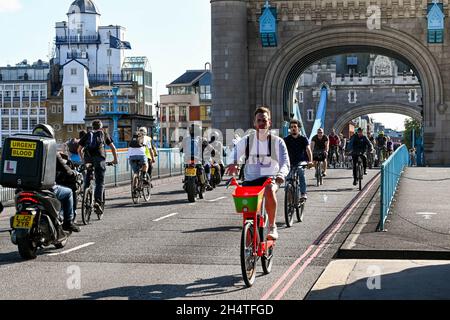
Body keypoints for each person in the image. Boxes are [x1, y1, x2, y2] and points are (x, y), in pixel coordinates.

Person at [227, 106, 290, 241]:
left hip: (270, 178)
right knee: (248, 216)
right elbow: (234, 154)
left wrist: (281, 175)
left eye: (264, 120)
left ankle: (272, 226)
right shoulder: (247, 140)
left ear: (270, 122)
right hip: (250, 180)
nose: (262, 123)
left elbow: (285, 162)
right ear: (254, 123)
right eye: (259, 120)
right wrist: (233, 163)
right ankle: (249, 242)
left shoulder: (277, 142)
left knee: (268, 189)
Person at [32, 124, 80, 233]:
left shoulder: (28, 148)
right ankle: (68, 222)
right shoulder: (52, 151)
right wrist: (73, 173)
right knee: (68, 193)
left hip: (24, 188)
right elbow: (66, 170)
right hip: (45, 189)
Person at [78, 120, 118, 215]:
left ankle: (86, 197)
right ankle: (97, 202)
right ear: (100, 126)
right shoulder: (104, 133)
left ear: (92, 127)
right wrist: (115, 160)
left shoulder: (87, 134)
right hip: (99, 159)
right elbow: (113, 148)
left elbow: (79, 149)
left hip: (88, 159)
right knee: (100, 182)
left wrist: (83, 160)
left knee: (88, 178)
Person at [284, 119, 313, 200]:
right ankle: (289, 200)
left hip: (301, 161)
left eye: (295, 127)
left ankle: (303, 193)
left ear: (299, 128)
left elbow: (308, 149)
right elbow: (281, 151)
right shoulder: (286, 139)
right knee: (288, 178)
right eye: (291, 127)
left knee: (300, 171)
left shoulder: (303, 139)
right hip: (290, 162)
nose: (293, 128)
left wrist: (310, 161)